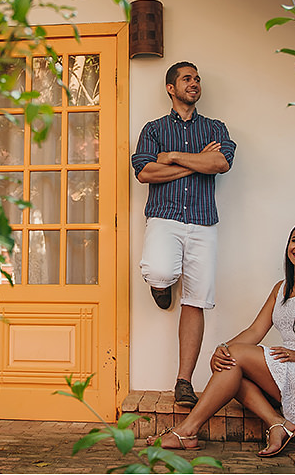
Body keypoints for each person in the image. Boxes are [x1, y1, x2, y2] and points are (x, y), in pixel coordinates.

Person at [145, 219, 295, 456]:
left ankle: (186, 431)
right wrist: (223, 347)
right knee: (229, 364)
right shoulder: (281, 288)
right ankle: (276, 424)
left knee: (234, 357)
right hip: (289, 365)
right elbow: (255, 331)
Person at [131, 61, 236, 407]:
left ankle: (184, 382)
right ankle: (161, 286)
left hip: (204, 221)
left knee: (196, 299)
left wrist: (173, 158)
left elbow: (219, 165)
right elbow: (145, 172)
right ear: (170, 88)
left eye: (197, 78)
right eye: (186, 79)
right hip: (165, 217)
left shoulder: (215, 128)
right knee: (160, 269)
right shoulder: (154, 129)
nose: (194, 83)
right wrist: (196, 164)